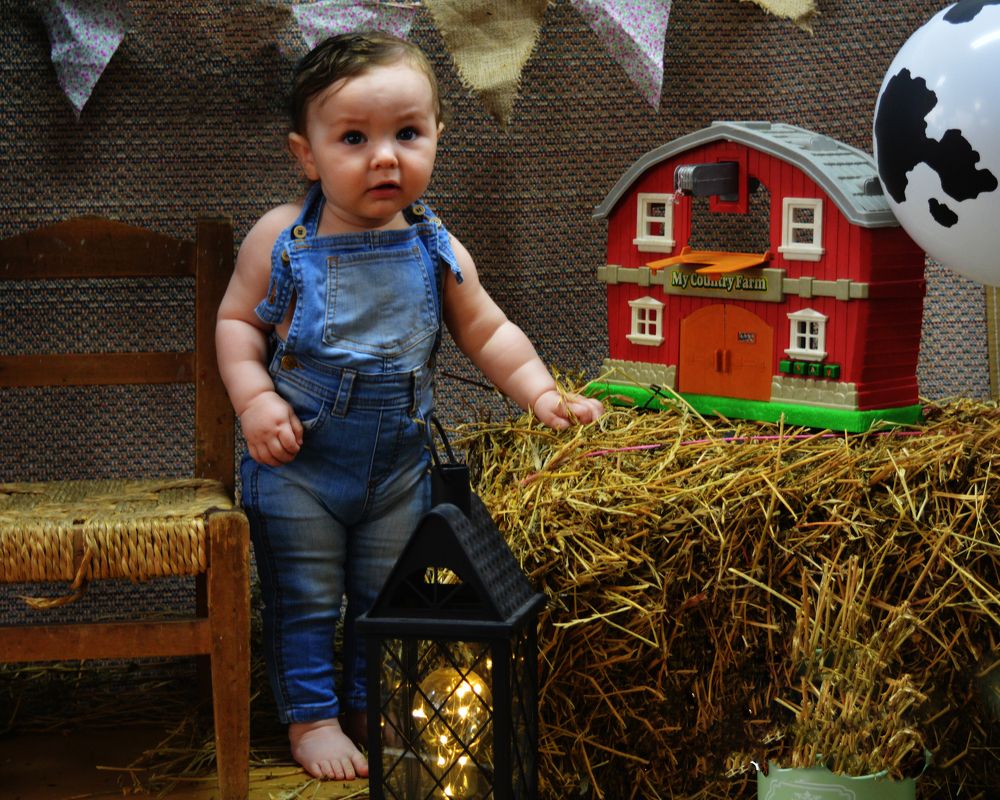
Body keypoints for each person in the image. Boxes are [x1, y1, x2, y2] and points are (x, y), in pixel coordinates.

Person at [215, 30, 604, 783]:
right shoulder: (282, 240)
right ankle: (313, 717)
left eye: (407, 134)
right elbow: (236, 323)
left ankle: (369, 705)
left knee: (384, 594)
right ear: (306, 155)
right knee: (303, 596)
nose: (385, 157)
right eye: (353, 139)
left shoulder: (436, 246)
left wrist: (540, 392)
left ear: (436, 137)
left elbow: (488, 330)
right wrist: (255, 399)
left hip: (398, 469)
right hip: (300, 462)